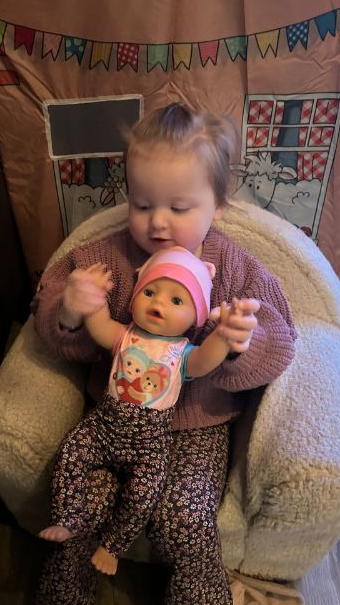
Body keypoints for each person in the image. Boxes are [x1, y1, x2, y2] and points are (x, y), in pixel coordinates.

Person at [32, 102, 297, 605]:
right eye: (141, 204)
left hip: (197, 427)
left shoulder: (236, 269)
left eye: (179, 207)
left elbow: (282, 341)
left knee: (186, 517)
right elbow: (51, 319)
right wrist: (69, 311)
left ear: (218, 203)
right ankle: (64, 600)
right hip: (115, 422)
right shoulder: (105, 259)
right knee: (80, 504)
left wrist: (241, 341)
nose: (157, 222)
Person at [39, 247, 238, 577]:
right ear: (134, 299)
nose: (159, 303)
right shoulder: (124, 334)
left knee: (146, 493)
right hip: (103, 427)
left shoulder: (183, 353)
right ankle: (65, 518)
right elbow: (100, 326)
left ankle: (112, 547)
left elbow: (206, 361)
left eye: (177, 300)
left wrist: (224, 336)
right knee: (71, 451)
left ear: (196, 317)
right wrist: (94, 298)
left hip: (149, 445)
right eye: (150, 292)